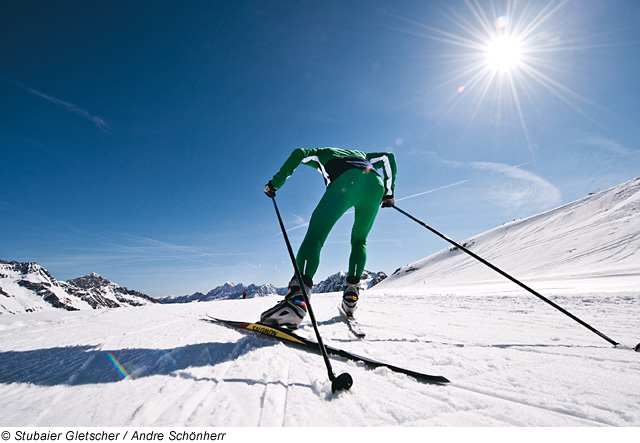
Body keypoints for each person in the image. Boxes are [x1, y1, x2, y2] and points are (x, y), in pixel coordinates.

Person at [260, 147, 396, 329]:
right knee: (359, 240)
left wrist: (275, 183)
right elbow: (388, 157)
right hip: (374, 185)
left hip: (345, 183)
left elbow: (299, 153)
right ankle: (350, 297)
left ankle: (297, 300)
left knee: (316, 235)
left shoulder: (321, 153)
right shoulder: (363, 155)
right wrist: (388, 193)